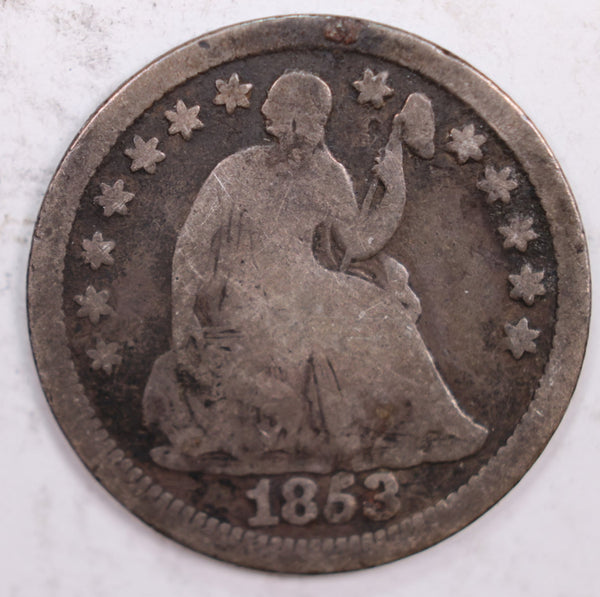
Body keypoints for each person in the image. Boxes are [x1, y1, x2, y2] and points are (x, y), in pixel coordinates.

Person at [143, 71, 487, 474]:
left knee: (380, 311)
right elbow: (192, 245)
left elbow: (358, 243)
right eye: (274, 107)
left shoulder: (328, 173)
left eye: (278, 106)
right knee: (334, 314)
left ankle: (404, 430)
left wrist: (395, 189)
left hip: (306, 285)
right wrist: (183, 318)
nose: (267, 113)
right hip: (243, 296)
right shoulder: (235, 170)